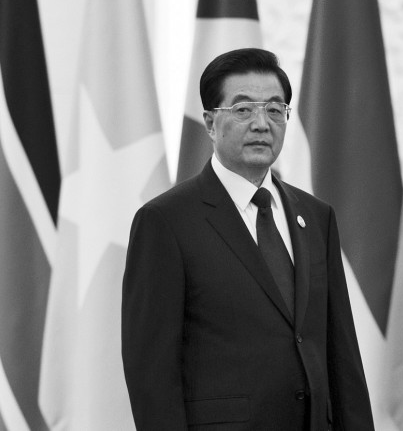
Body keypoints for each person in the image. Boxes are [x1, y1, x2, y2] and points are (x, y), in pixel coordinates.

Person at [122, 48, 375, 430]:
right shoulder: (166, 222)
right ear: (209, 122)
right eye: (243, 110)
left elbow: (342, 360)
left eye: (275, 109)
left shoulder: (316, 217)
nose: (262, 123)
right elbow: (152, 377)